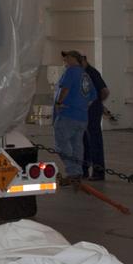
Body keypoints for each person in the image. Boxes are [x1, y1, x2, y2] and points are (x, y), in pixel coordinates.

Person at [53, 50, 97, 183]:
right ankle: (77, 172)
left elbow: (65, 88)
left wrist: (59, 103)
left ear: (73, 59)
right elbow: (93, 96)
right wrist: (82, 106)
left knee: (61, 144)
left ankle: (72, 172)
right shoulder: (85, 75)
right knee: (77, 144)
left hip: (68, 115)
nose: (64, 62)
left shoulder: (71, 71)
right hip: (82, 117)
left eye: (66, 59)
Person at [79, 54, 110, 181]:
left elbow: (104, 91)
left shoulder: (92, 73)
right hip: (84, 111)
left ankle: (98, 171)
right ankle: (84, 170)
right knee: (84, 141)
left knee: (94, 140)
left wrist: (97, 103)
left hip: (92, 111)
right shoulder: (81, 73)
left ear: (84, 59)